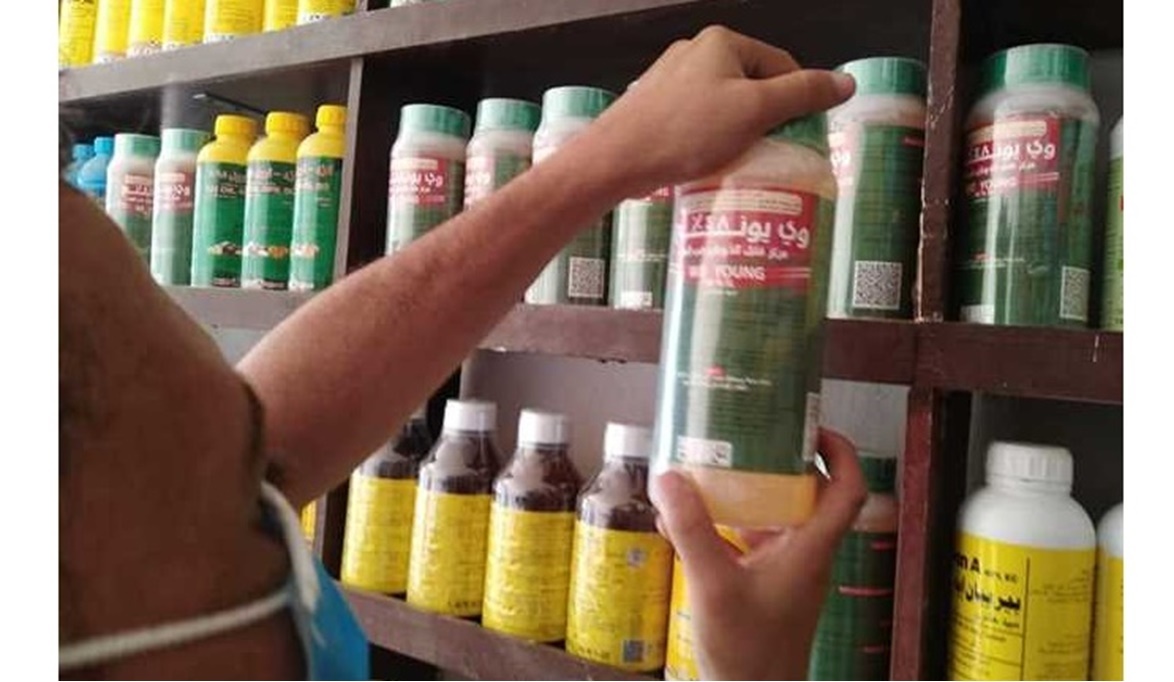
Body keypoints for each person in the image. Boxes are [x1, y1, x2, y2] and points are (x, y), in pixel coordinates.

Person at [59, 26, 867, 680]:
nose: (270, 499)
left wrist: (609, 157)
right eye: (241, 523)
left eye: (248, 469)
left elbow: (266, 440)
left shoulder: (128, 557)